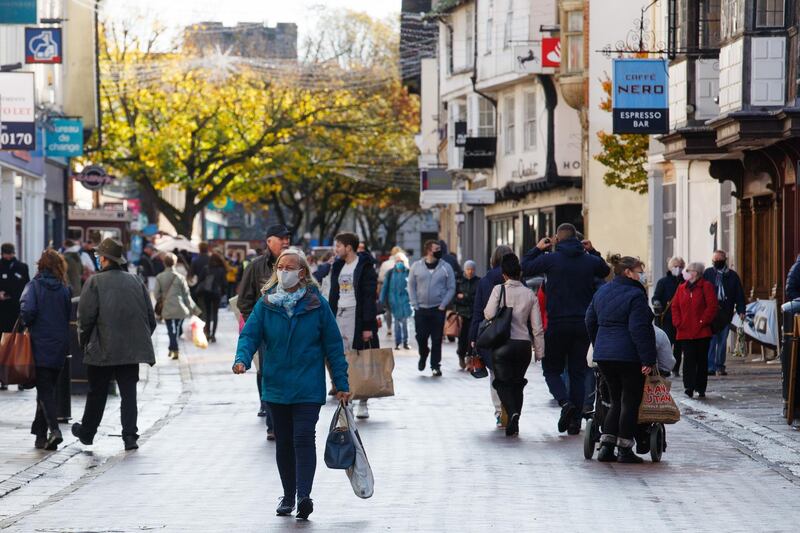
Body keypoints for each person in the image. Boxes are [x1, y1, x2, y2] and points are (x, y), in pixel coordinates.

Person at [233, 248, 351, 520]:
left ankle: (304, 495)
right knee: (284, 442)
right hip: (275, 385)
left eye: (290, 267)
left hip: (308, 385)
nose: (284, 271)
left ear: (302, 273)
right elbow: (249, 335)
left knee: (303, 438)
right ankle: (288, 495)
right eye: (280, 267)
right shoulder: (266, 304)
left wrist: (341, 382)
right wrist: (242, 359)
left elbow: (333, 347)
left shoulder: (317, 304)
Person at [521, 223, 611, 435]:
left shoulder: (551, 260)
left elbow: (524, 267)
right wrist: (592, 250)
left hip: (558, 323)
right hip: (582, 325)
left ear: (557, 240)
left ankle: (565, 403)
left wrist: (537, 248)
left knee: (551, 370)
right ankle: (574, 421)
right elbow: (605, 270)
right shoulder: (589, 261)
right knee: (578, 372)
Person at [72, 238, 156, 451]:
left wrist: (84, 343)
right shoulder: (136, 281)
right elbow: (150, 318)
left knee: (97, 392)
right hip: (131, 350)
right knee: (129, 393)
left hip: (102, 348)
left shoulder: (94, 282)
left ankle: (88, 433)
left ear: (106, 259)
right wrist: (136, 339)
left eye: (99, 256)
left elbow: (85, 319)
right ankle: (130, 436)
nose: (97, 259)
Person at [586, 255, 657, 463]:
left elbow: (589, 319)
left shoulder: (602, 291)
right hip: (628, 356)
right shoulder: (636, 295)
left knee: (615, 400)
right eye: (639, 270)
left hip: (605, 355)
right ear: (628, 272)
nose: (641, 275)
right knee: (629, 401)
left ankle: (606, 447)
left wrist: (598, 344)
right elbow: (639, 329)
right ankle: (624, 448)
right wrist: (648, 359)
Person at [484, 254, 545, 436]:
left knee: (501, 382)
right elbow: (537, 327)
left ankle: (512, 414)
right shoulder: (529, 294)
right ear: (520, 273)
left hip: (502, 345)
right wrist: (539, 352)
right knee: (517, 383)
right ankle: (515, 416)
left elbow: (488, 314)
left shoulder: (498, 290)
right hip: (523, 345)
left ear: (504, 275)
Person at [238, 225, 291, 426]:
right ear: (269, 242)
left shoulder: (297, 265)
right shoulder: (256, 266)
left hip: (291, 330)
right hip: (266, 332)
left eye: (288, 238)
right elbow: (244, 300)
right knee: (267, 371)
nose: (286, 242)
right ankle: (271, 417)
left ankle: (284, 414)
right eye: (281, 239)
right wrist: (258, 324)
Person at [19, 250, 71, 450]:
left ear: (41, 264)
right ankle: (40, 435)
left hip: (39, 344)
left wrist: (27, 321)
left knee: (45, 391)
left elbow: (27, 311)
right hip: (59, 345)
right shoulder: (65, 289)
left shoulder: (34, 286)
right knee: (48, 389)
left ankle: (54, 431)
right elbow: (67, 316)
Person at [328, 233, 379, 419]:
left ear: (348, 247)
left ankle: (362, 401)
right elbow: (333, 294)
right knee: (340, 359)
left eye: (339, 246)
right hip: (339, 315)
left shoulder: (364, 267)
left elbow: (369, 298)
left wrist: (368, 326)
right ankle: (346, 399)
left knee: (358, 358)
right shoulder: (339, 266)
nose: (336, 250)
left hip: (356, 316)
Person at [470, 245, 513, 428]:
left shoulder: (485, 281)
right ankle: (512, 408)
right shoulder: (517, 279)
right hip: (513, 332)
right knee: (512, 374)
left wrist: (472, 337)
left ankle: (499, 411)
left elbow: (478, 311)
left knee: (495, 374)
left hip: (491, 334)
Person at [408, 240, 456, 377]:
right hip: (421, 309)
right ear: (429, 250)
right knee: (421, 337)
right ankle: (423, 354)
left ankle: (435, 366)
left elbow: (451, 287)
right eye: (436, 248)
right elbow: (411, 285)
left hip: (438, 309)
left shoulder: (446, 267)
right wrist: (414, 304)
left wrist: (443, 304)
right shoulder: (416, 266)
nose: (439, 251)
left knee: (436, 339)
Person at [672, 262, 718, 398]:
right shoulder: (681, 288)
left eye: (688, 270)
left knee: (701, 360)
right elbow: (675, 306)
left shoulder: (706, 287)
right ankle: (689, 387)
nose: (685, 272)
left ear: (695, 273)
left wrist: (703, 321)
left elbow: (712, 306)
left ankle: (700, 387)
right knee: (688, 360)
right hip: (685, 331)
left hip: (702, 331)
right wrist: (677, 322)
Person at [703, 250, 746, 376]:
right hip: (711, 314)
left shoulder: (732, 276)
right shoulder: (708, 273)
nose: (716, 262)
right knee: (711, 341)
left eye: (719, 260)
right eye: (714, 260)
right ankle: (710, 366)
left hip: (725, 313)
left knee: (722, 341)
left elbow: (739, 294)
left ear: (724, 260)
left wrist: (741, 310)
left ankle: (719, 365)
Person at [155, 253, 199, 360]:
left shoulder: (160, 277)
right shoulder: (180, 278)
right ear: (175, 263)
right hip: (180, 308)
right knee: (177, 328)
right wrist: (194, 309)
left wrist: (161, 299)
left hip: (167, 307)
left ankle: (173, 349)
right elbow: (186, 295)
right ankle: (173, 348)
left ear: (164, 263)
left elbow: (156, 294)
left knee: (171, 329)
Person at [0, 243, 30, 390]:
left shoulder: (22, 267)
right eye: (6, 253)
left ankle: (19, 376)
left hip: (16, 312)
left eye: (10, 253)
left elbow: (27, 287)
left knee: (18, 345)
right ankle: (3, 378)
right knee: (2, 345)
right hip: (1, 311)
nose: (8, 256)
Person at [652, 257, 685, 376]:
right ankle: (664, 367)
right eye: (675, 266)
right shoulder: (663, 282)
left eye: (680, 266)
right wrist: (657, 303)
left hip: (681, 318)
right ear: (670, 267)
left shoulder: (684, 282)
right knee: (667, 342)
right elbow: (656, 297)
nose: (678, 268)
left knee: (678, 344)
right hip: (667, 318)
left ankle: (676, 369)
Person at [380, 259, 412, 350]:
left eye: (401, 262)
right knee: (397, 323)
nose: (399, 264)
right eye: (397, 261)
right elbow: (385, 287)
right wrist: (381, 300)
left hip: (406, 301)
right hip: (394, 302)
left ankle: (406, 342)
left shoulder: (409, 272)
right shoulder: (390, 274)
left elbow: (413, 286)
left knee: (406, 322)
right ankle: (398, 343)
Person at [454, 260, 480, 369]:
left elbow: (477, 299)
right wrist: (467, 298)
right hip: (462, 314)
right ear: (465, 269)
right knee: (462, 337)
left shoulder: (478, 281)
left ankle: (469, 356)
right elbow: (455, 298)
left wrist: (464, 297)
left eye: (472, 269)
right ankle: (461, 355)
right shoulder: (460, 282)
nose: (470, 271)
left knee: (472, 337)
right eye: (468, 269)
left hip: (473, 314)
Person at [377, 246, 406, 338]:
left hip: (388, 290)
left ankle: (389, 328)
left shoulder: (385, 264)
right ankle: (399, 328)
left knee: (388, 310)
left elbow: (381, 278)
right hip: (401, 290)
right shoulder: (404, 262)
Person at [199, 252, 227, 343]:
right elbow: (224, 283)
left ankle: (207, 333)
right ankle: (213, 335)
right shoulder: (221, 270)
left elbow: (200, 280)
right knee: (215, 314)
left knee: (207, 313)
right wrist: (222, 293)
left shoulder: (205, 268)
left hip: (207, 293)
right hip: (216, 294)